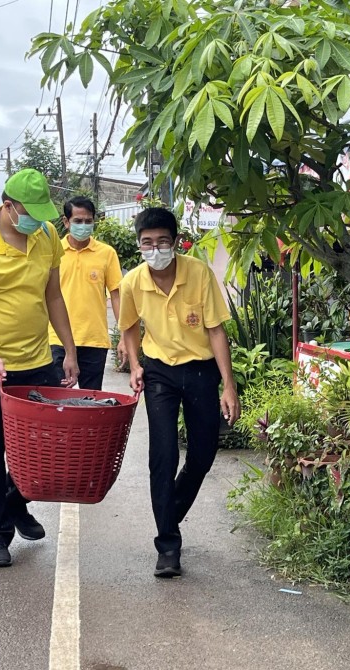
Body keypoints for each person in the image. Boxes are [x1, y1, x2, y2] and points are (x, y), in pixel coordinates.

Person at [0, 168, 79, 568]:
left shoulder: (47, 236)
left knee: (44, 451)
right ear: (8, 207)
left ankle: (15, 501)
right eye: (31, 214)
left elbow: (53, 296)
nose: (38, 222)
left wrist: (69, 350)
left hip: (36, 360)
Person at [118, 207, 240, 578]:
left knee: (203, 454)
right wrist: (135, 365)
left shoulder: (198, 273)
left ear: (176, 242)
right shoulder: (132, 282)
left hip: (200, 371)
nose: (155, 249)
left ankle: (169, 512)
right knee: (163, 454)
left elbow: (216, 330)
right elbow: (129, 326)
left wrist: (228, 386)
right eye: (147, 243)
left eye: (162, 241)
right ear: (139, 244)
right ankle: (168, 545)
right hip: (159, 373)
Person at [49, 196, 127, 390]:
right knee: (58, 400)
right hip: (56, 339)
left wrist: (124, 336)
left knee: (90, 400)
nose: (83, 226)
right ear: (66, 222)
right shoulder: (53, 251)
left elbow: (116, 295)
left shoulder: (106, 253)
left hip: (94, 340)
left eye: (88, 221)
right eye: (78, 221)